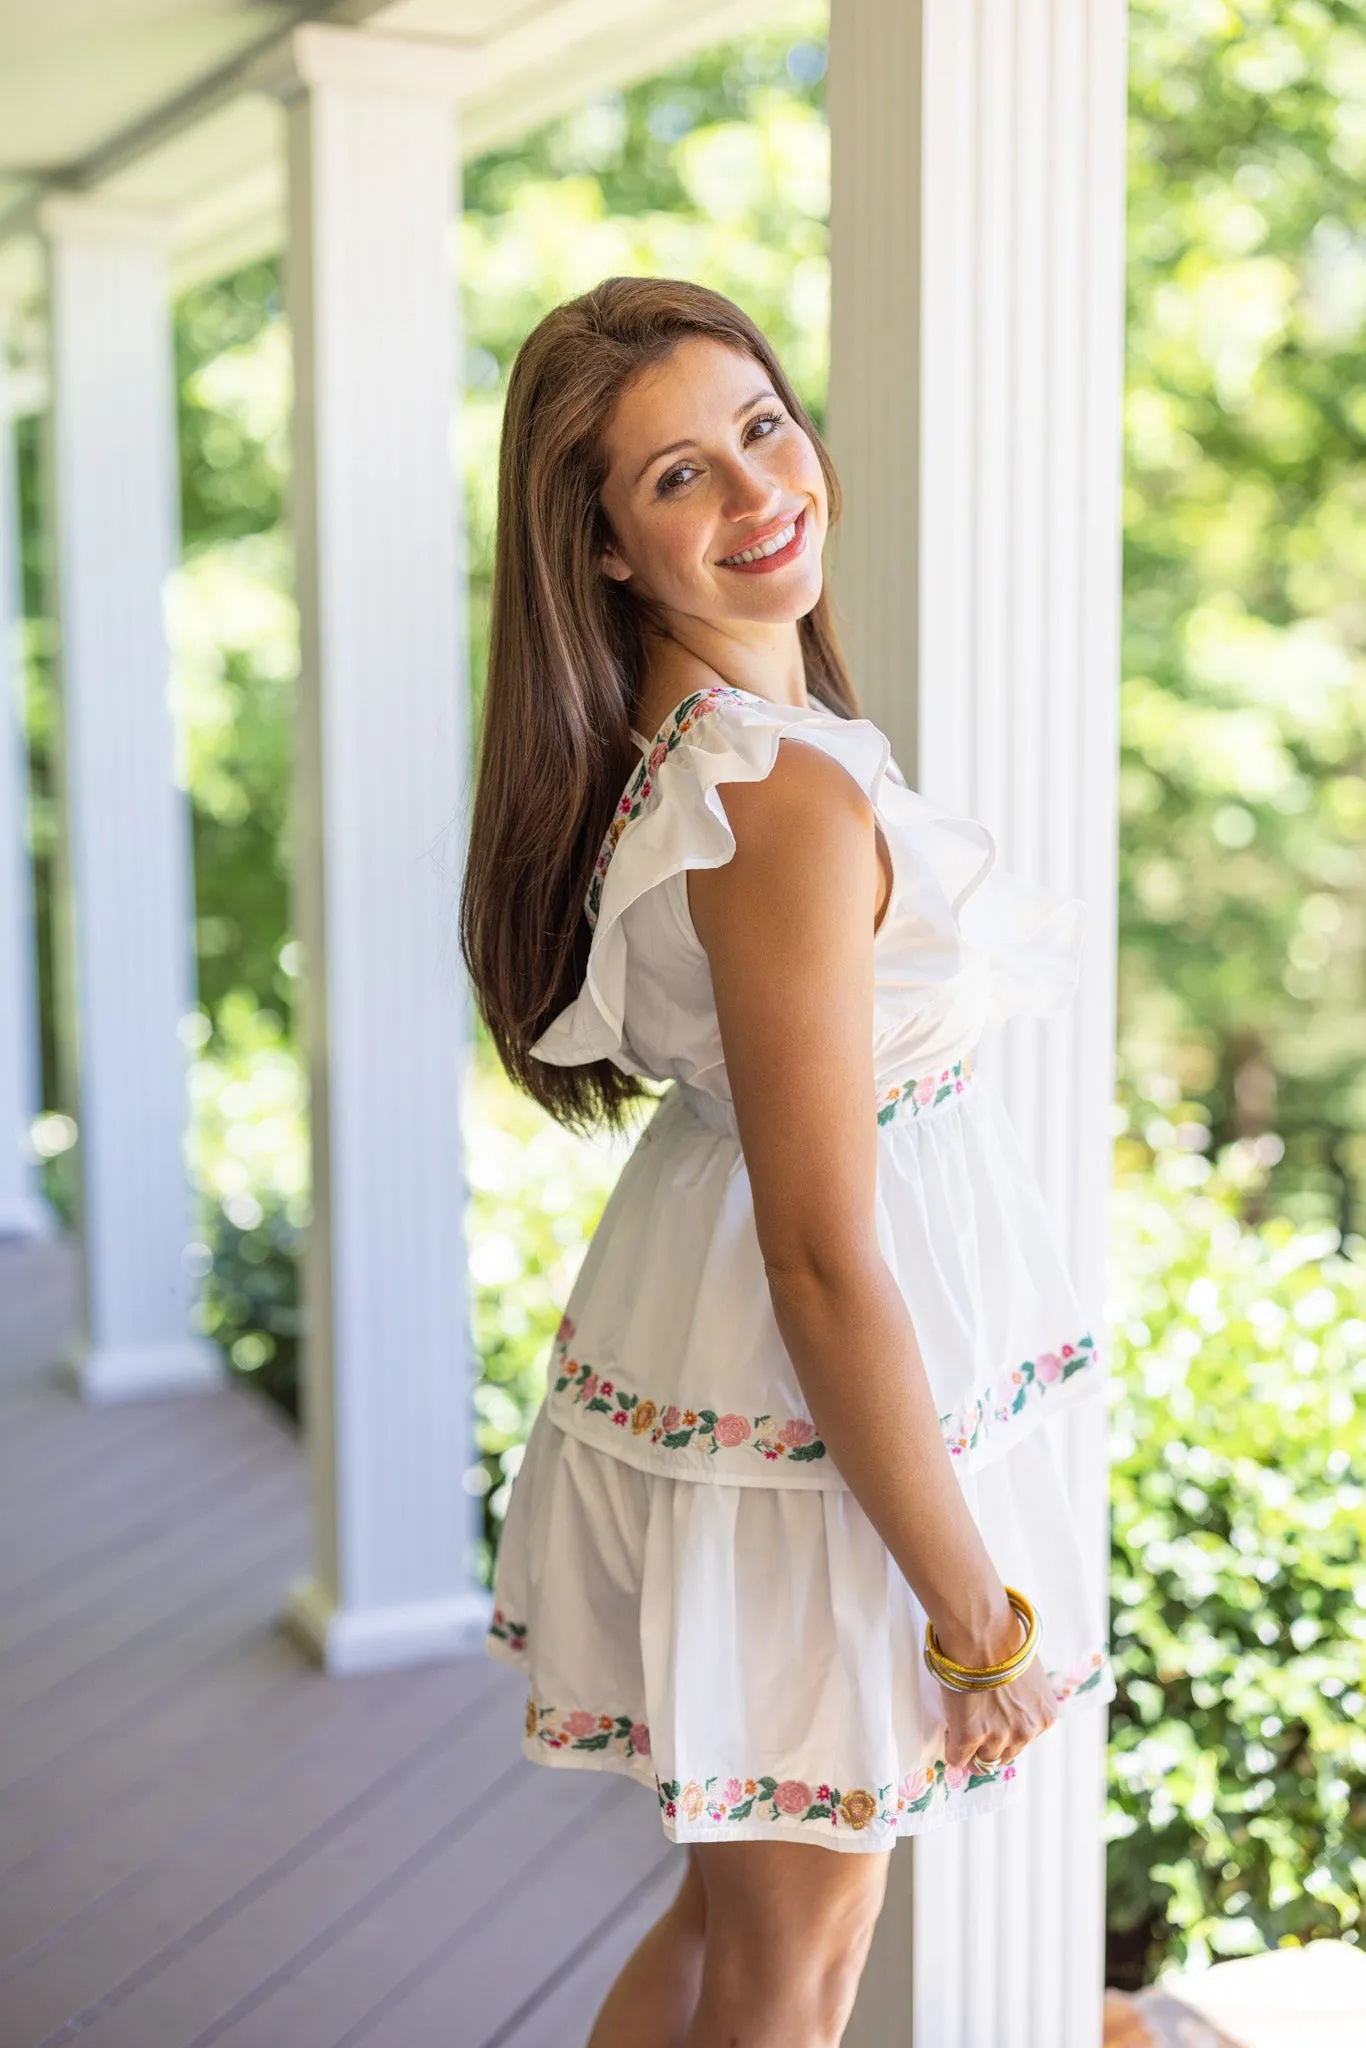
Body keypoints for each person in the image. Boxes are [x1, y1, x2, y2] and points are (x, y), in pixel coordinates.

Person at [461, 275, 1116, 2048]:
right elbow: (824, 1258)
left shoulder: (734, 751)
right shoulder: (772, 799)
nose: (760, 494)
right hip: (809, 1424)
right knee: (792, 1971)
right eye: (677, 477)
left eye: (761, 426)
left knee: (724, 1927)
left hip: (760, 1384)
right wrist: (972, 1610)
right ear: (597, 548)